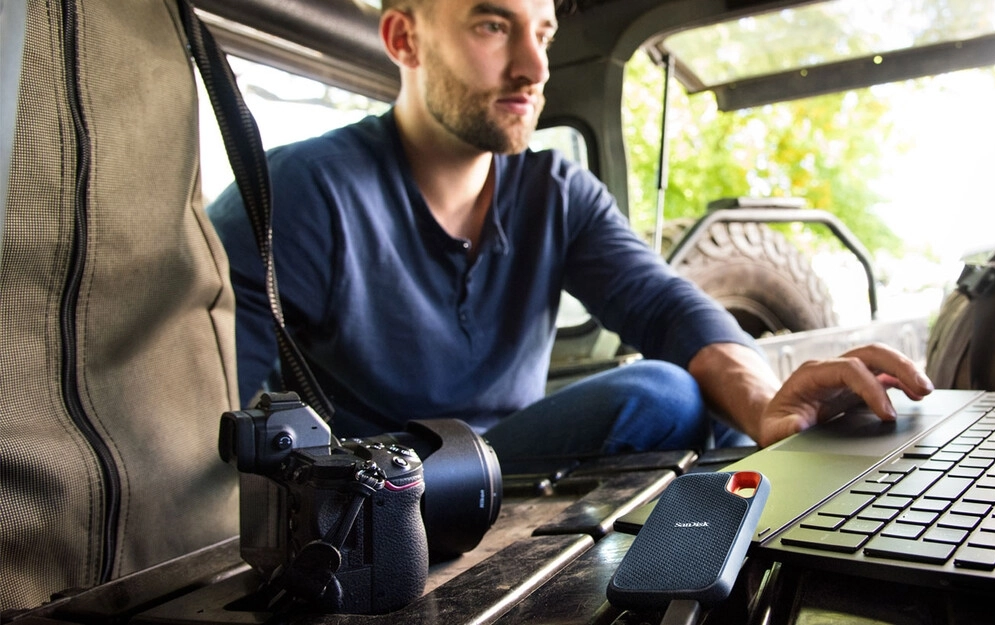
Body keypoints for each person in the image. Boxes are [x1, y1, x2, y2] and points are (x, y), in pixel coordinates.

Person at [206, 0, 934, 460]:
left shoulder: (555, 192)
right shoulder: (298, 195)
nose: (533, 68)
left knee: (712, 408)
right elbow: (211, 420)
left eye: (543, 32)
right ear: (405, 37)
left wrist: (764, 399)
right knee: (662, 395)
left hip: (520, 470)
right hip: (383, 493)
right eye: (494, 25)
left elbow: (665, 305)